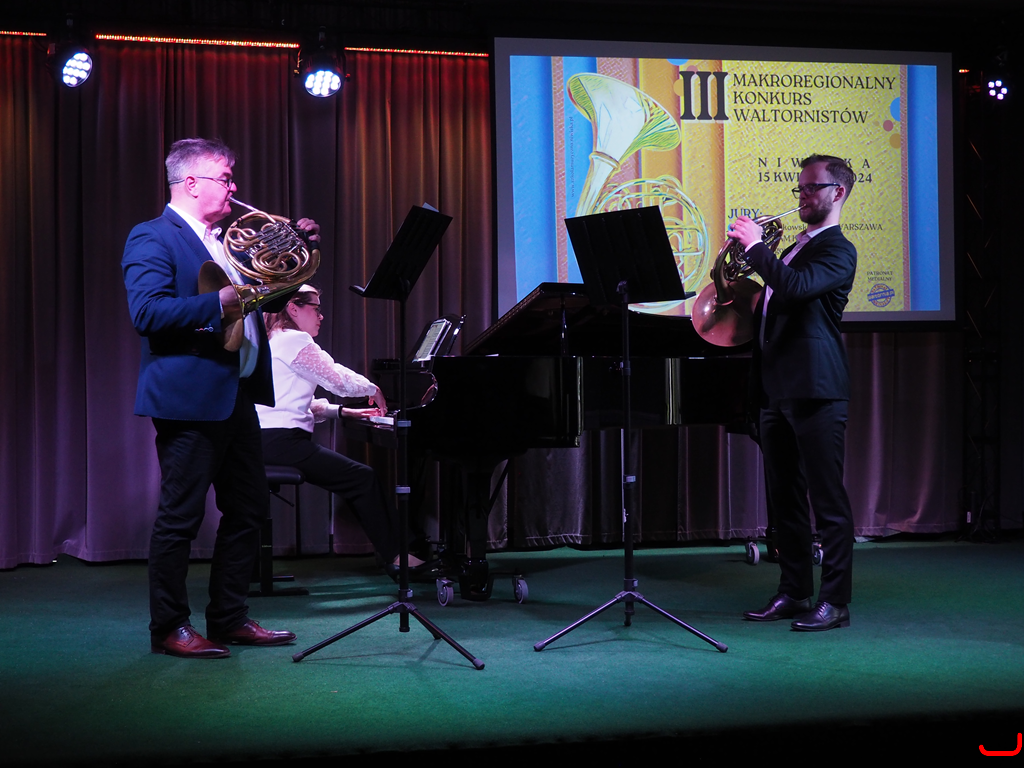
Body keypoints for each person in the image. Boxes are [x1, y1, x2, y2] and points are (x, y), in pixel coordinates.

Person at [122, 137, 316, 658]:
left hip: (237, 393)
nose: (234, 187)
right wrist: (221, 300)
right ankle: (169, 627)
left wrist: (293, 254)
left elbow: (259, 301)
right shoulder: (152, 236)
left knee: (248, 510)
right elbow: (147, 313)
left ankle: (229, 617)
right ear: (191, 183)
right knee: (181, 518)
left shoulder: (226, 241)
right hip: (189, 398)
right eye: (225, 178)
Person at [727, 154, 858, 632]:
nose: (802, 196)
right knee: (785, 500)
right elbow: (775, 300)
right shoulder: (792, 249)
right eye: (799, 188)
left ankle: (835, 602)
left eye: (810, 188)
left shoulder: (839, 250)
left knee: (828, 502)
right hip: (776, 388)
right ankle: (795, 591)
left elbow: (797, 289)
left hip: (817, 390)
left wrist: (756, 249)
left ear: (837, 193)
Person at [257, 286, 424, 576]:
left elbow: (293, 401)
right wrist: (372, 388)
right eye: (316, 308)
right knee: (363, 478)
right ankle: (399, 557)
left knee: (360, 478)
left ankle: (400, 550)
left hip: (263, 440)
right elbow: (336, 378)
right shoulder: (294, 339)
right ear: (293, 309)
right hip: (281, 441)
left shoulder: (273, 339)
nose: (321, 316)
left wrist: (342, 412)